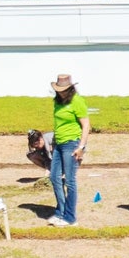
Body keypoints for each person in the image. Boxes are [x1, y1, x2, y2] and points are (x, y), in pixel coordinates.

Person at [46, 73, 90, 227]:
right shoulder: (57, 102)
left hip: (72, 143)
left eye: (63, 89)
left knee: (70, 181)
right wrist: (53, 141)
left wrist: (81, 147)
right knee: (54, 177)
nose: (60, 92)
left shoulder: (77, 101)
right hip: (59, 143)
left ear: (70, 88)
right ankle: (60, 211)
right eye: (58, 89)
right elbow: (57, 123)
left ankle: (70, 217)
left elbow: (86, 125)